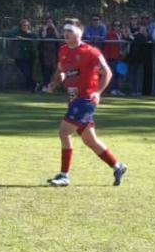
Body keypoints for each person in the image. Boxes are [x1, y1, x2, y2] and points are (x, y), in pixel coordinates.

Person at [45, 19, 127, 187]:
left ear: (80, 33)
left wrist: (98, 92)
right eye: (65, 30)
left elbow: (108, 73)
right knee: (90, 140)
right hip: (73, 99)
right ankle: (117, 166)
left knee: (64, 132)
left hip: (86, 99)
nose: (66, 33)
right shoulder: (63, 50)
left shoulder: (91, 52)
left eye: (70, 30)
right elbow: (61, 71)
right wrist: (55, 82)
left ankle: (64, 176)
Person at [8, 19, 39, 92]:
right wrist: (17, 37)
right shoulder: (16, 31)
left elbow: (36, 37)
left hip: (30, 55)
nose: (26, 27)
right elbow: (9, 34)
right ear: (21, 26)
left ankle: (31, 87)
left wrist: (26, 37)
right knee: (25, 71)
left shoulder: (30, 33)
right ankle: (34, 84)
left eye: (27, 25)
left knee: (29, 72)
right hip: (19, 56)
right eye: (24, 25)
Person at [40, 18, 61, 93]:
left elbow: (58, 37)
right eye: (48, 22)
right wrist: (45, 28)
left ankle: (53, 87)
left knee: (54, 70)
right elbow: (43, 36)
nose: (49, 23)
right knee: (46, 70)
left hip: (54, 53)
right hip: (45, 53)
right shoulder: (43, 29)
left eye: (51, 22)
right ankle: (46, 86)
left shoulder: (55, 29)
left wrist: (54, 28)